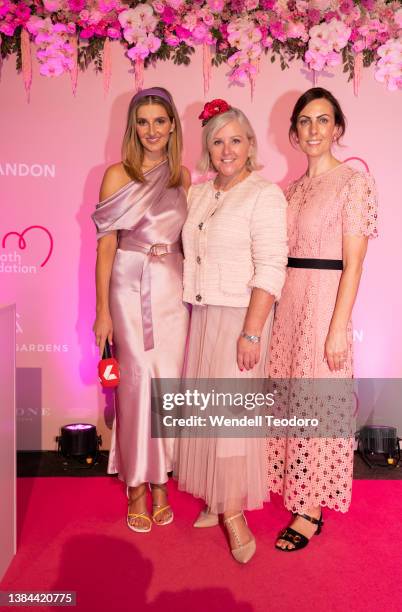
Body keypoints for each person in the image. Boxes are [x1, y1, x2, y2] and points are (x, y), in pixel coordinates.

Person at [174, 99, 288, 563]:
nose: (226, 149)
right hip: (203, 316)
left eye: (235, 140)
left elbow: (271, 267)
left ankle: (235, 511)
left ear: (250, 145)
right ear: (207, 147)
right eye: (217, 141)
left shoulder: (264, 194)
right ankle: (217, 498)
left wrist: (253, 333)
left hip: (242, 319)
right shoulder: (197, 194)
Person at [267, 87, 378, 551]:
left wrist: (338, 328)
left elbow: (353, 263)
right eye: (305, 121)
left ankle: (310, 509)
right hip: (288, 304)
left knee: (315, 401)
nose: (313, 129)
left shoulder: (353, 182)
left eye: (323, 120)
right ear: (294, 132)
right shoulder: (289, 189)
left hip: (324, 304)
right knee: (292, 400)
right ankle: (297, 489)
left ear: (337, 128)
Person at [92, 87, 191, 533]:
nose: (152, 130)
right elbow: (106, 247)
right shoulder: (117, 174)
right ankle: (135, 484)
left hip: (172, 288)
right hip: (129, 289)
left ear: (172, 125)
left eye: (160, 121)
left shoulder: (182, 176)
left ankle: (161, 482)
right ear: (133, 127)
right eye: (143, 121)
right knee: (133, 388)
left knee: (166, 388)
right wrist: (102, 312)